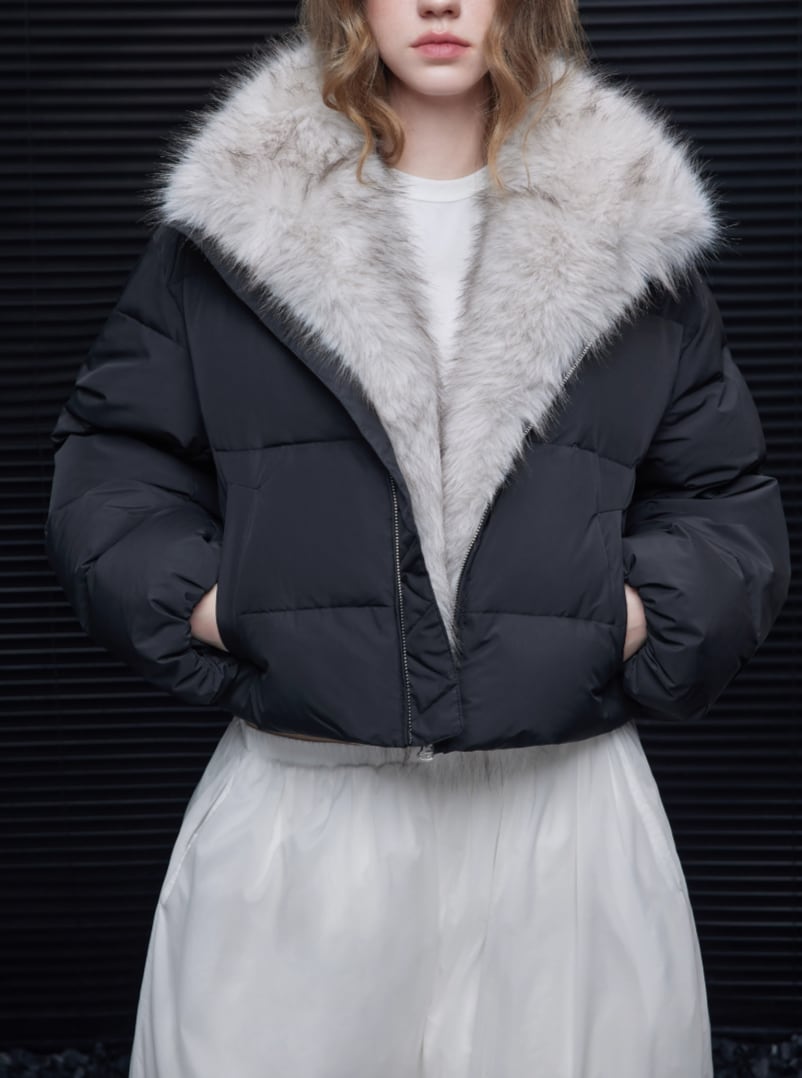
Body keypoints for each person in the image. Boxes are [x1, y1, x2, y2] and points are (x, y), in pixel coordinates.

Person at [44, 1, 791, 1075]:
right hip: (305, 810)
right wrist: (221, 610)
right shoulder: (233, 230)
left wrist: (621, 618)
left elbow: (725, 502)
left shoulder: (628, 228)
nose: (439, 3)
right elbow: (112, 469)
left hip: (563, 820)